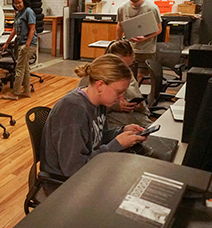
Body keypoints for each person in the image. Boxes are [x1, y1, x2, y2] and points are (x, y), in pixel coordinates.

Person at [40, 54, 147, 195]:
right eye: (119, 92)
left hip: (88, 172)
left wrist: (121, 131)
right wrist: (116, 145)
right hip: (65, 184)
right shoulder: (72, 109)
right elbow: (74, 169)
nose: (122, 97)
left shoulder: (100, 102)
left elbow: (97, 137)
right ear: (100, 85)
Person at [78, 40, 152, 129]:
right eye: (122, 66)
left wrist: (139, 106)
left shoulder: (128, 75)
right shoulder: (91, 80)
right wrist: (116, 106)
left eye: (129, 66)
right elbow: (90, 112)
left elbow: (144, 110)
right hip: (115, 125)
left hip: (135, 122)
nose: (126, 71)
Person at [115, 0, 162, 79]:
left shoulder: (151, 8)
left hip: (146, 50)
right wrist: (118, 41)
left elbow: (159, 29)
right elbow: (120, 24)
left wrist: (145, 38)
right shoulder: (122, 8)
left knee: (141, 76)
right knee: (127, 76)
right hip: (129, 50)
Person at [2, 0, 38, 100]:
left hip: (28, 45)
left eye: (19, 3)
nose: (17, 5)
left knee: (19, 69)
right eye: (15, 3)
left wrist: (27, 44)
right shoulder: (18, 13)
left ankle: (15, 92)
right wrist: (7, 42)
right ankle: (26, 91)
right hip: (21, 43)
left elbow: (32, 28)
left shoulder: (28, 12)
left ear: (24, 1)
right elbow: (14, 30)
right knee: (25, 68)